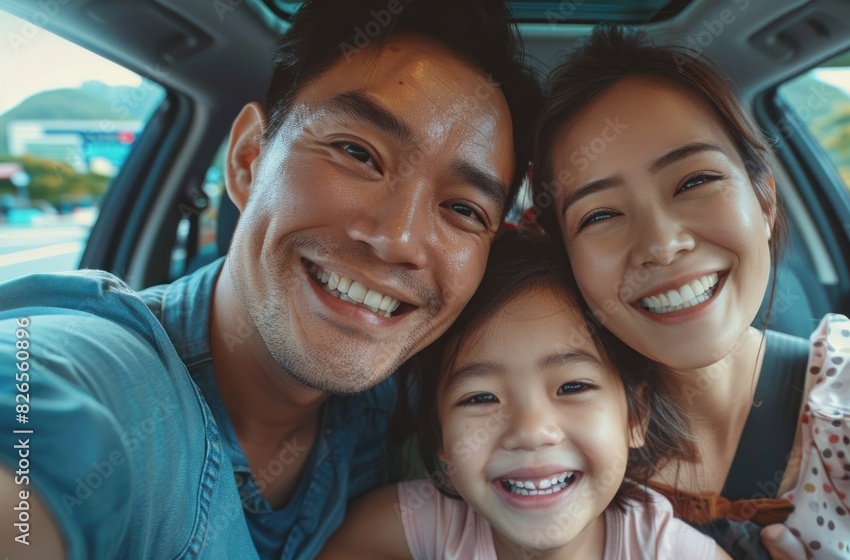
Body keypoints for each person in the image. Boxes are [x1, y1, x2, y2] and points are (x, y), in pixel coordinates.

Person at [0, 1, 541, 558]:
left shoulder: (417, 403)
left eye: (463, 210)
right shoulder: (111, 377)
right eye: (358, 154)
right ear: (248, 158)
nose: (399, 239)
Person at [529, 25, 850, 560]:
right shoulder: (539, 421)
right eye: (601, 214)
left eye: (694, 182)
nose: (660, 245)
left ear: (764, 199)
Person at [319, 230, 727, 560]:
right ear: (441, 436)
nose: (531, 431)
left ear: (635, 417)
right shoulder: (414, 525)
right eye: (480, 398)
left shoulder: (668, 550)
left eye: (573, 387)